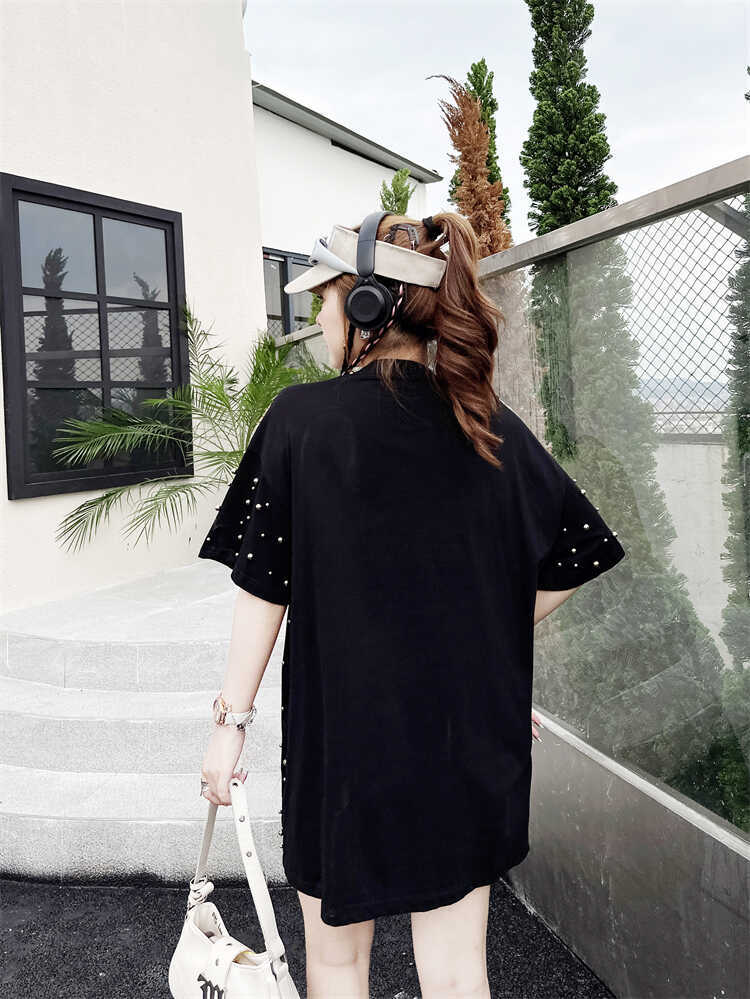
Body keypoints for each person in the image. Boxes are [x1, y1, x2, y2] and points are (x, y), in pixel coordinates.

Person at [197, 212, 626, 999]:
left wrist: (229, 726)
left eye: (324, 299)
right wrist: (489, 651)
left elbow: (263, 586)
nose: (320, 318)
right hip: (463, 736)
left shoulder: (299, 421)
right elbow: (580, 552)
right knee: (458, 973)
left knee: (337, 964)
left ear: (365, 306)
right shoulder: (486, 425)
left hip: (341, 743)